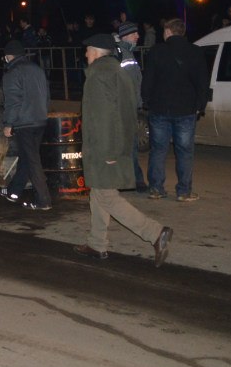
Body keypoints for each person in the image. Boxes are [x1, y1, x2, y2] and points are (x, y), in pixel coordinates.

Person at [73, 34, 172, 266]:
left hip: (104, 149)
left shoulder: (98, 76)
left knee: (107, 197)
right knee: (99, 193)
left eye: (87, 50)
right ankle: (96, 243)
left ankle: (155, 233)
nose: (85, 54)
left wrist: (109, 152)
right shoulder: (119, 72)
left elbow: (104, 118)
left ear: (96, 51)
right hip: (119, 144)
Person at [143, 18, 209, 203]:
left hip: (159, 108)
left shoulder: (156, 51)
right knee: (185, 151)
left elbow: (148, 80)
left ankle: (156, 189)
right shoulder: (196, 52)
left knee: (158, 150)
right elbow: (202, 82)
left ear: (168, 32)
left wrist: (147, 101)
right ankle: (183, 191)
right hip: (186, 109)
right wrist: (200, 105)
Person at [0, 40, 51, 211]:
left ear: (8, 56)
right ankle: (13, 192)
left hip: (24, 123)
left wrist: (8, 123)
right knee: (26, 157)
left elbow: (13, 102)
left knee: (33, 160)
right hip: (40, 120)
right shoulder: (37, 69)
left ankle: (43, 200)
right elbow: (46, 95)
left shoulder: (12, 73)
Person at [114, 21, 147, 191]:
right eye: (135, 34)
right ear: (126, 35)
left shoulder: (128, 53)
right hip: (124, 108)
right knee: (128, 146)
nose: (138, 36)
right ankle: (133, 181)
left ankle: (132, 180)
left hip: (130, 107)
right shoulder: (121, 53)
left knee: (129, 145)